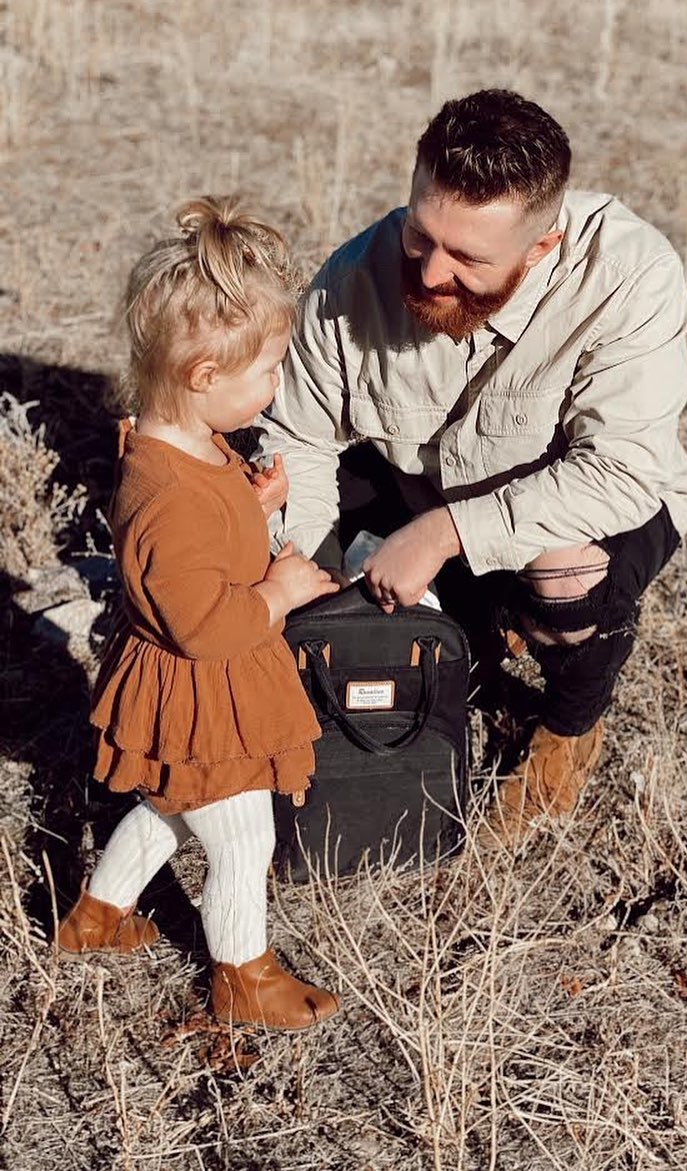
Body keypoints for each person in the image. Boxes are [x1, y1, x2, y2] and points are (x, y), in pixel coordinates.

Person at [256, 89, 687, 846]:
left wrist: (441, 534)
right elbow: (297, 436)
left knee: (565, 576)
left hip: (590, 512)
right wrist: (313, 580)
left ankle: (566, 736)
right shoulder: (352, 279)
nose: (431, 272)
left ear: (541, 248)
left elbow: (619, 472)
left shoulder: (632, 274)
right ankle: (485, 615)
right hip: (426, 485)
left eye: (468, 257)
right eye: (420, 233)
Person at [56, 197, 342, 1031]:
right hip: (200, 689)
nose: (278, 387)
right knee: (241, 837)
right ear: (204, 377)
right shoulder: (166, 498)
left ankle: (95, 920)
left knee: (170, 811)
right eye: (268, 372)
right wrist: (279, 591)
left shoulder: (182, 443)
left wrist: (255, 504)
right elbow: (203, 623)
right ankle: (242, 980)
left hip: (188, 687)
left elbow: (205, 544)